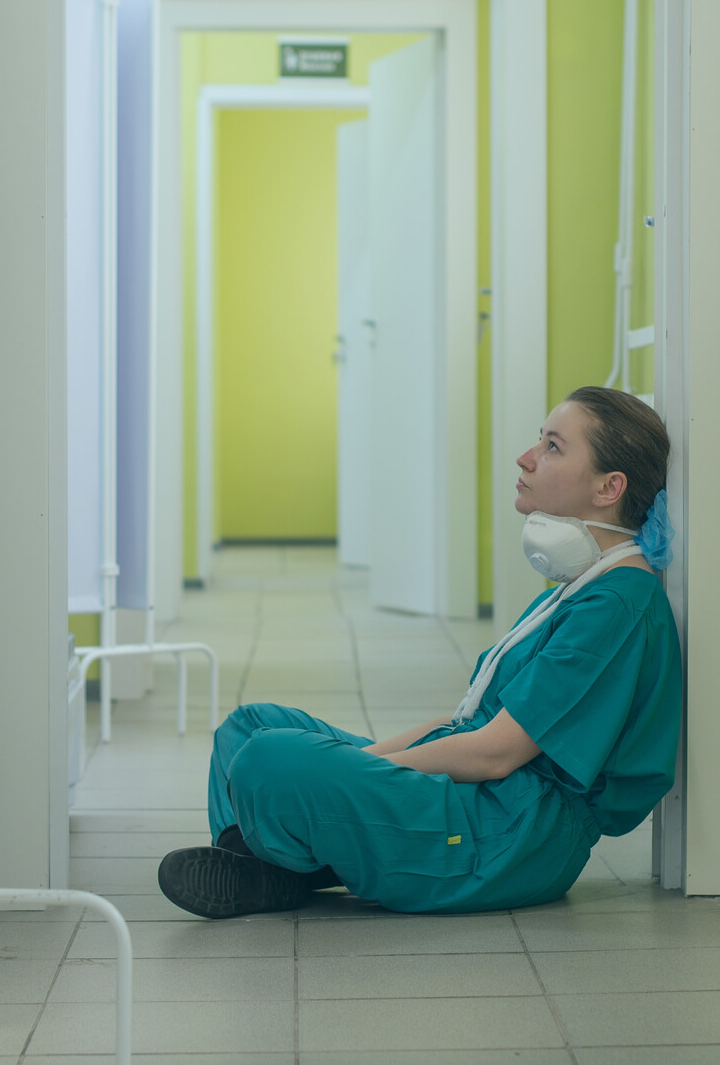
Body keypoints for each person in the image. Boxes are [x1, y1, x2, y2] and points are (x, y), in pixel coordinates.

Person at [156, 386, 683, 918]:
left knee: (269, 761)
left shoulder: (617, 605)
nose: (526, 457)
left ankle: (271, 866)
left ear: (608, 487)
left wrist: (360, 778)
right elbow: (466, 721)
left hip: (507, 837)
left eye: (551, 446)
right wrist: (353, 772)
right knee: (248, 728)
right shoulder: (582, 586)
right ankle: (281, 869)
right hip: (482, 801)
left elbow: (494, 752)